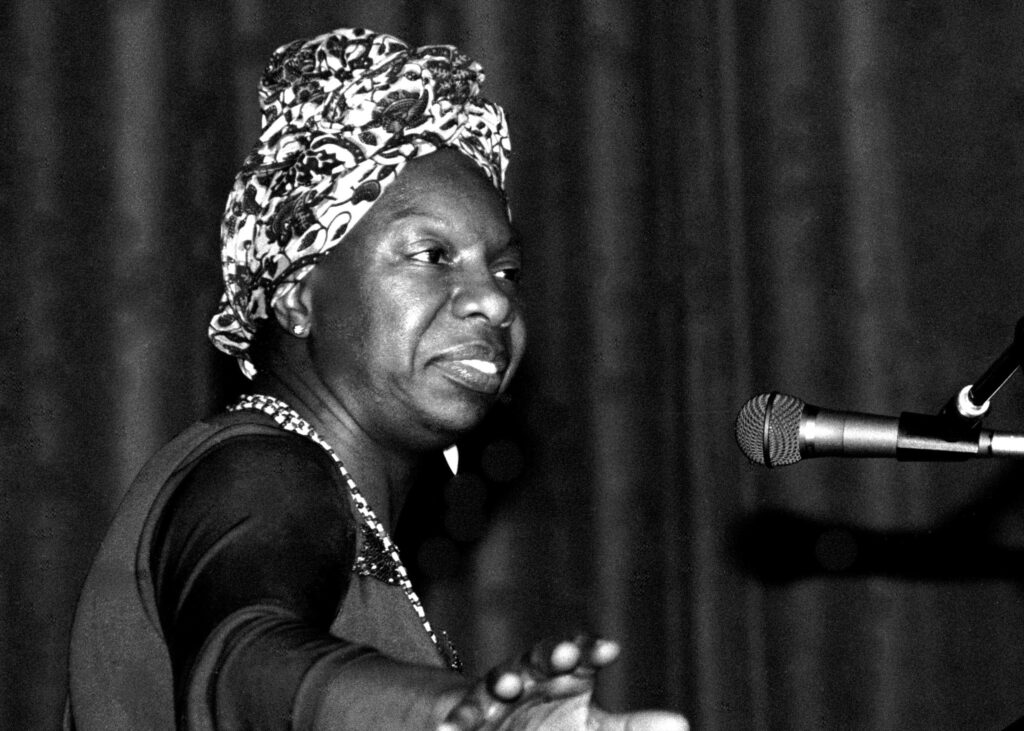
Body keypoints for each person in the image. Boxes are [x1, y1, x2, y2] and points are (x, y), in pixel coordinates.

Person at [66, 27, 689, 731]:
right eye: (433, 255)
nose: (494, 301)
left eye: (507, 270)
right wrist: (444, 712)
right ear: (298, 297)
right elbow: (245, 659)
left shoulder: (330, 505)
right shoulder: (266, 471)